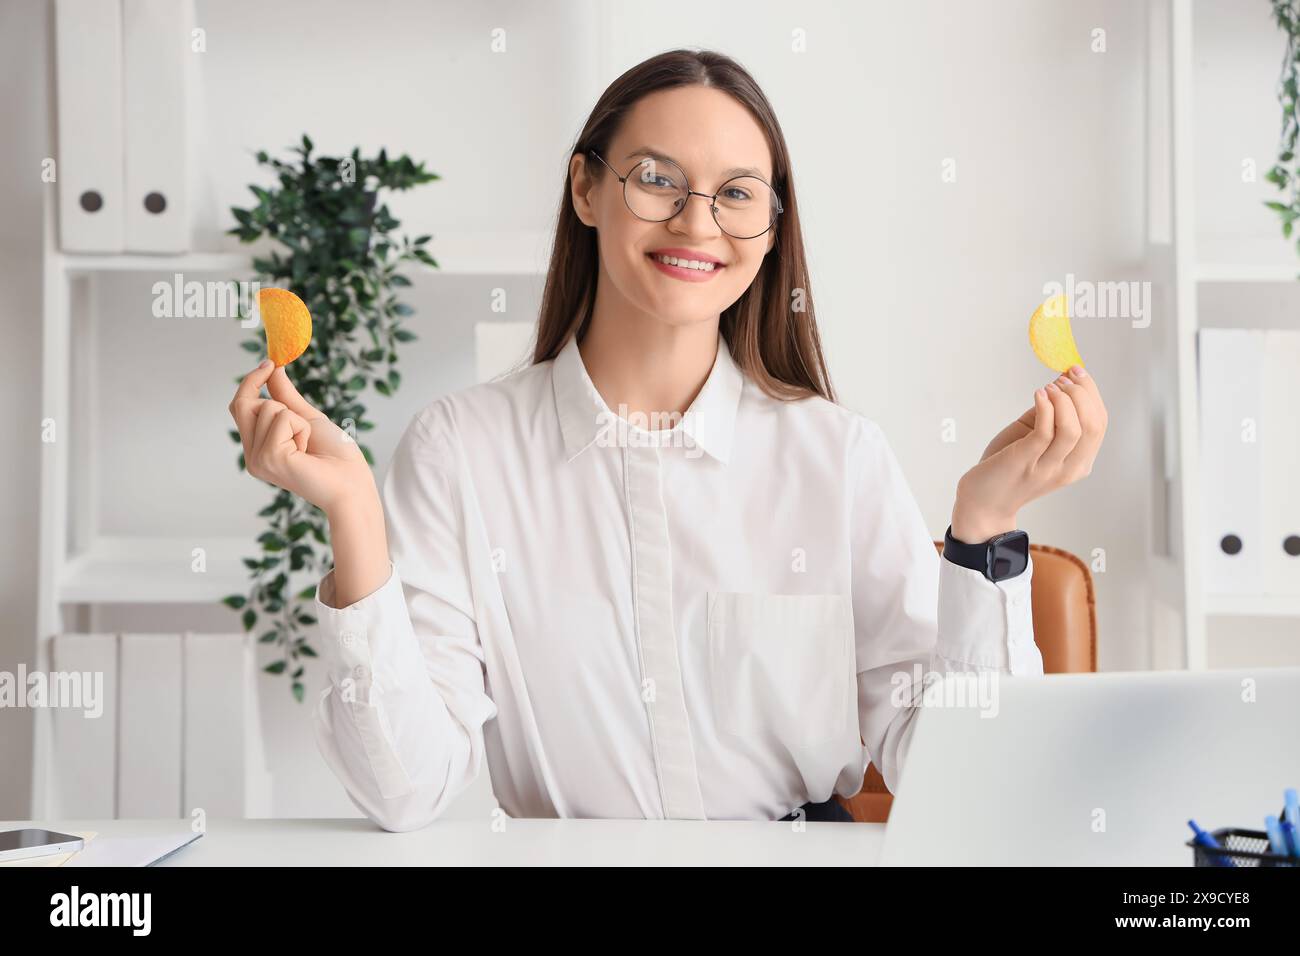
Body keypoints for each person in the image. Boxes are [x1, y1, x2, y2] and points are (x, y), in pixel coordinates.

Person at [228, 49, 1106, 831]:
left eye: (736, 193)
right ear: (585, 189)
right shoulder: (462, 451)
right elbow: (404, 789)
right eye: (656, 179)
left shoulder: (837, 457)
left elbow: (964, 781)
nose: (696, 223)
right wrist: (351, 515)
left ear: (770, 225)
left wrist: (984, 526)